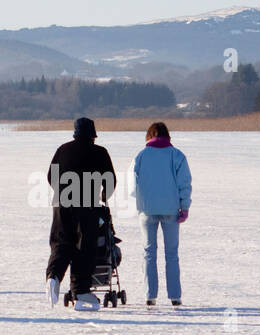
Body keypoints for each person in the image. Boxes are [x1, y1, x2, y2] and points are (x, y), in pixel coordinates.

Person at [46, 116, 115, 311]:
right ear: (93, 135)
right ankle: (81, 292)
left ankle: (53, 277)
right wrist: (103, 196)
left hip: (62, 204)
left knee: (62, 243)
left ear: (75, 133)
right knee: (84, 247)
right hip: (87, 206)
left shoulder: (63, 149)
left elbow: (51, 176)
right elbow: (110, 180)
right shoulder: (100, 152)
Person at [131, 121, 192, 306]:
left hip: (147, 211)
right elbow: (184, 184)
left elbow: (132, 185)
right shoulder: (177, 155)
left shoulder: (140, 156)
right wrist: (185, 207)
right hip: (171, 210)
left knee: (149, 252)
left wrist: (139, 204)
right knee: (171, 253)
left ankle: (150, 295)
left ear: (149, 136)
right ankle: (175, 296)